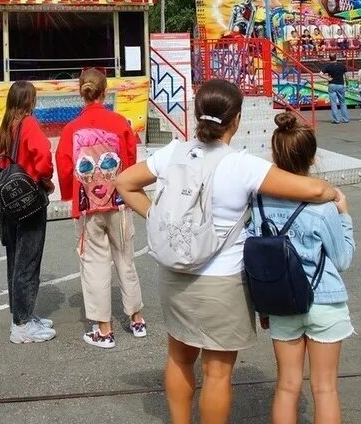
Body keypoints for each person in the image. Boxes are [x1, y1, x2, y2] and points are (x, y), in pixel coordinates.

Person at [115, 79, 340, 424]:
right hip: (222, 282)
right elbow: (313, 189)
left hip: (174, 275)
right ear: (235, 120)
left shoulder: (172, 152)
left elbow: (124, 182)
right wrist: (336, 196)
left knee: (178, 357)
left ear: (196, 114)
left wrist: (159, 218)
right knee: (217, 374)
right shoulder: (242, 165)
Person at [252, 112, 355, 424]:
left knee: (286, 386)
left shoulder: (259, 202)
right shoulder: (323, 206)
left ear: (274, 154)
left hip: (282, 301)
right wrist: (346, 217)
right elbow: (342, 259)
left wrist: (263, 308)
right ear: (312, 157)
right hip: (324, 299)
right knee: (325, 389)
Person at [55, 68, 147, 348]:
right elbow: (131, 161)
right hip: (118, 202)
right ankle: (136, 318)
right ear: (105, 92)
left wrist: (73, 191)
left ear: (81, 92)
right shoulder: (120, 123)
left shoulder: (71, 129)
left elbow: (64, 165)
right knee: (125, 258)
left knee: (94, 263)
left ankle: (104, 329)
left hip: (87, 206)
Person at [0, 80, 57, 344]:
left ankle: (21, 315)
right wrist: (44, 178)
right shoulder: (28, 123)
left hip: (9, 202)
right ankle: (21, 325)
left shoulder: (6, 126)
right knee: (28, 261)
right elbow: (43, 154)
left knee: (15, 258)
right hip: (30, 201)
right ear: (29, 101)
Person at [321, 55, 350, 124]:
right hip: (340, 84)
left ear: (329, 58)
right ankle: (345, 118)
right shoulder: (342, 65)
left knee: (333, 103)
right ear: (336, 58)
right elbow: (346, 76)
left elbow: (320, 74)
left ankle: (336, 120)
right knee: (342, 102)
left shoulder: (328, 66)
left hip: (332, 84)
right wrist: (347, 84)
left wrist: (327, 78)